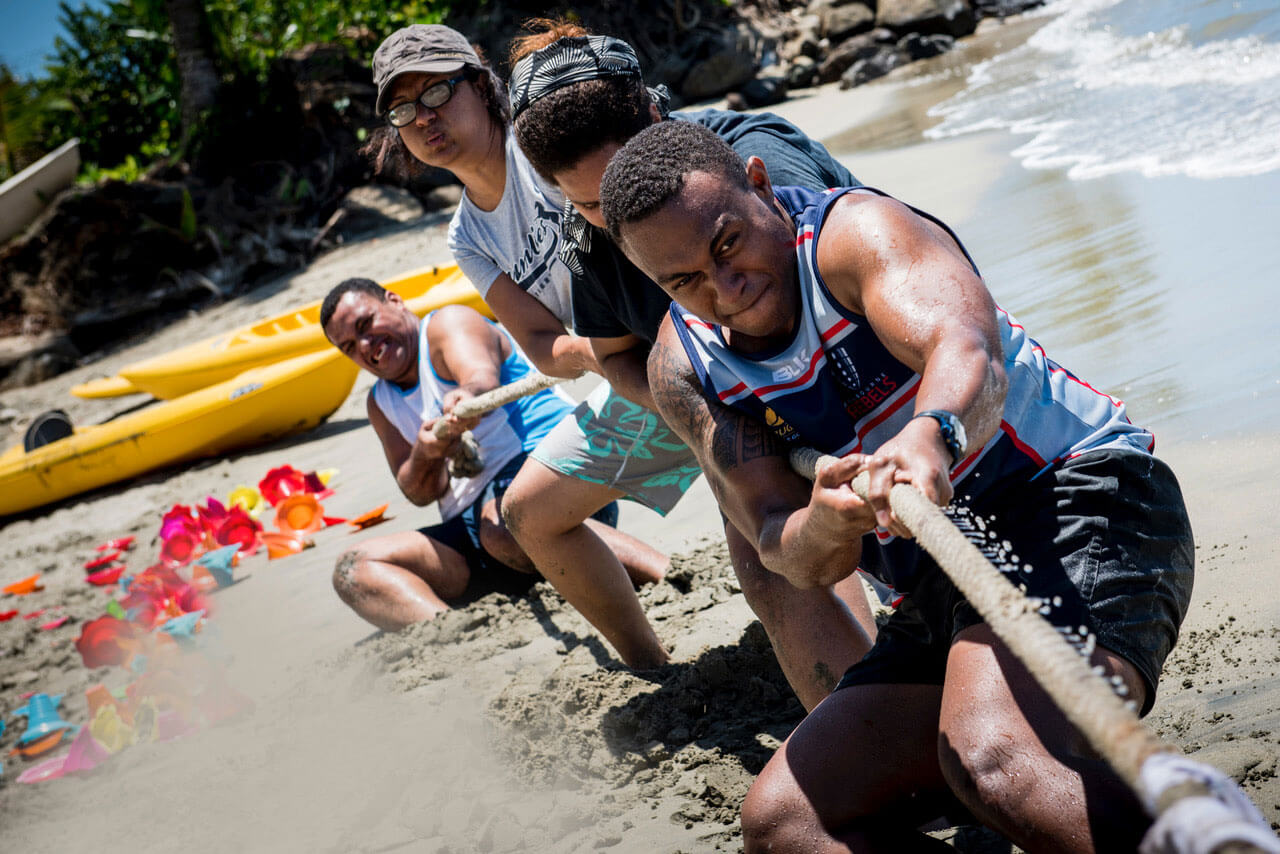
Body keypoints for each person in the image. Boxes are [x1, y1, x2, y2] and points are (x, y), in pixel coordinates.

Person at [598, 119, 1201, 851]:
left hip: (1082, 503)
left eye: (727, 244)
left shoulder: (856, 237)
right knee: (789, 824)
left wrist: (932, 433)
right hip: (944, 585)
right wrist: (826, 523)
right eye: (683, 280)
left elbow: (965, 347)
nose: (724, 290)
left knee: (997, 760)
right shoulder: (685, 368)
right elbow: (782, 546)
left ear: (759, 185)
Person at [503, 21, 877, 707]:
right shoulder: (587, 238)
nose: (621, 226)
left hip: (864, 379)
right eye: (590, 204)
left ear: (656, 115)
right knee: (772, 574)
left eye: (621, 188)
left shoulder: (755, 164)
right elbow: (617, 356)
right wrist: (701, 415)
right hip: (737, 410)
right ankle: (873, 729)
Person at [364, 24, 671, 660]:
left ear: (481, 86)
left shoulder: (543, 151)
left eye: (438, 93)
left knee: (759, 509)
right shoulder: (466, 237)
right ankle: (651, 664)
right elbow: (539, 341)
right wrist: (607, 358)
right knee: (528, 517)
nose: (423, 118)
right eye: (403, 109)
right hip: (628, 375)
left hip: (695, 339)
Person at [318, 277, 646, 632]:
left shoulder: (447, 324)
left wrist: (466, 396)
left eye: (366, 325)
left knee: (506, 523)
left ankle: (664, 571)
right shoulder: (379, 403)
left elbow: (480, 378)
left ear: (395, 301)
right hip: (481, 531)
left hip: (553, 482)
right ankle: (457, 640)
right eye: (350, 346)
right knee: (354, 571)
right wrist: (426, 454)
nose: (367, 346)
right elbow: (418, 492)